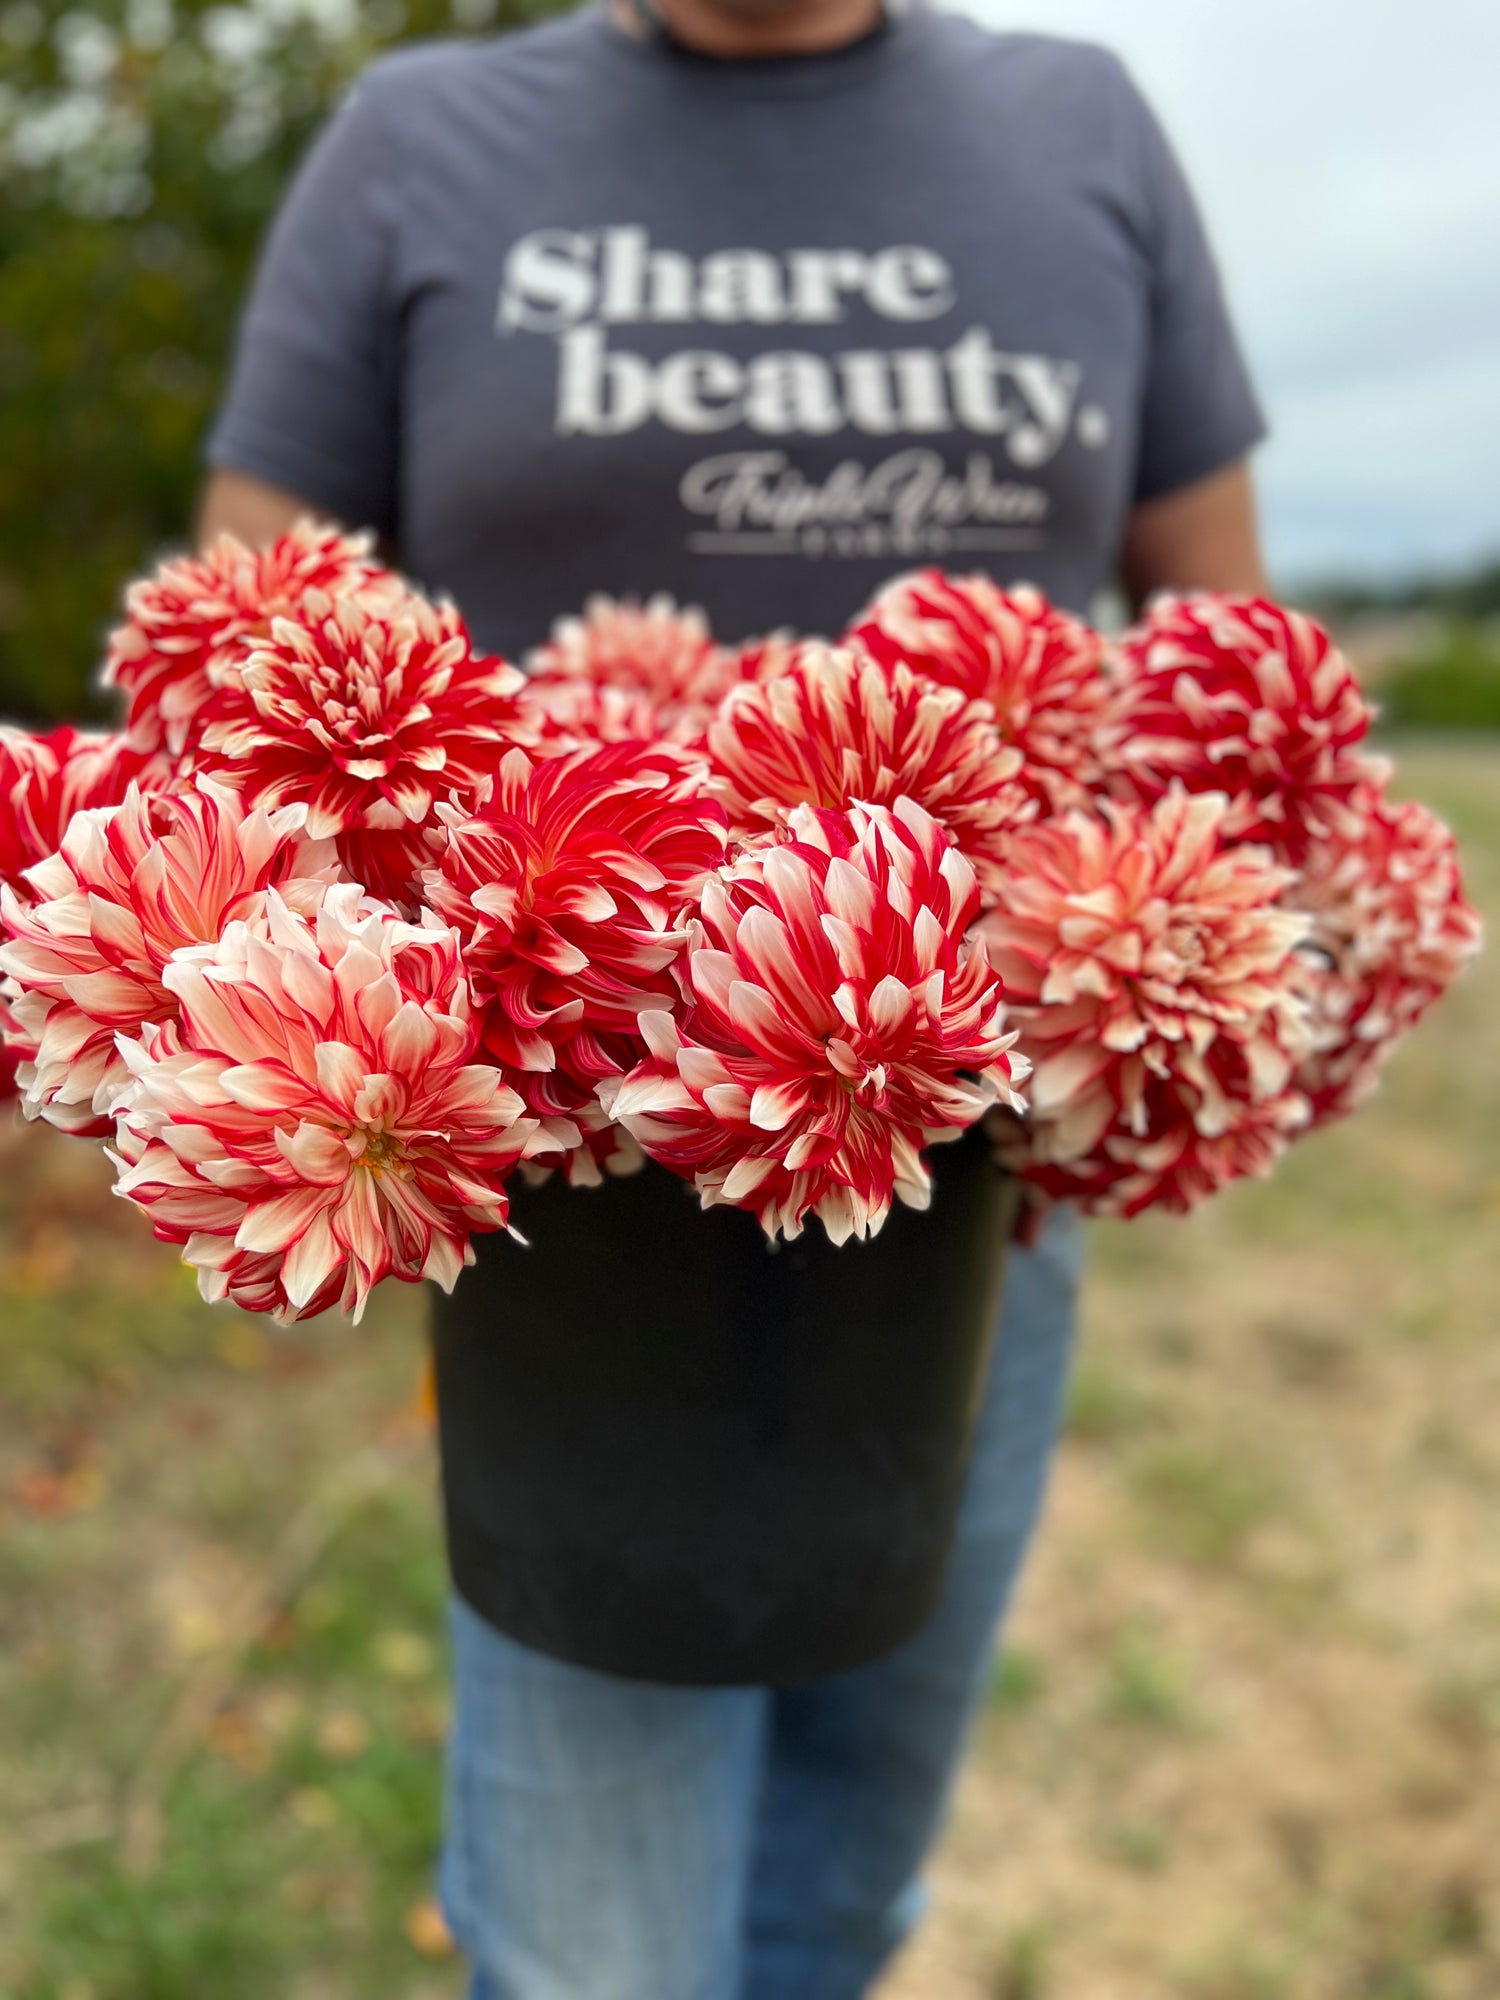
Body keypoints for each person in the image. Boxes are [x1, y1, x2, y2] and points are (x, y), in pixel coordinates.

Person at [198, 0, 1269, 1991]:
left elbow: (1221, 637)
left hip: (965, 1173)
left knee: (849, 1874)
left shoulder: (1082, 125)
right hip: (575, 1219)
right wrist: (309, 1030)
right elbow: (249, 637)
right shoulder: (422, 137)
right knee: (598, 1935)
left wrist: (1183, 955)